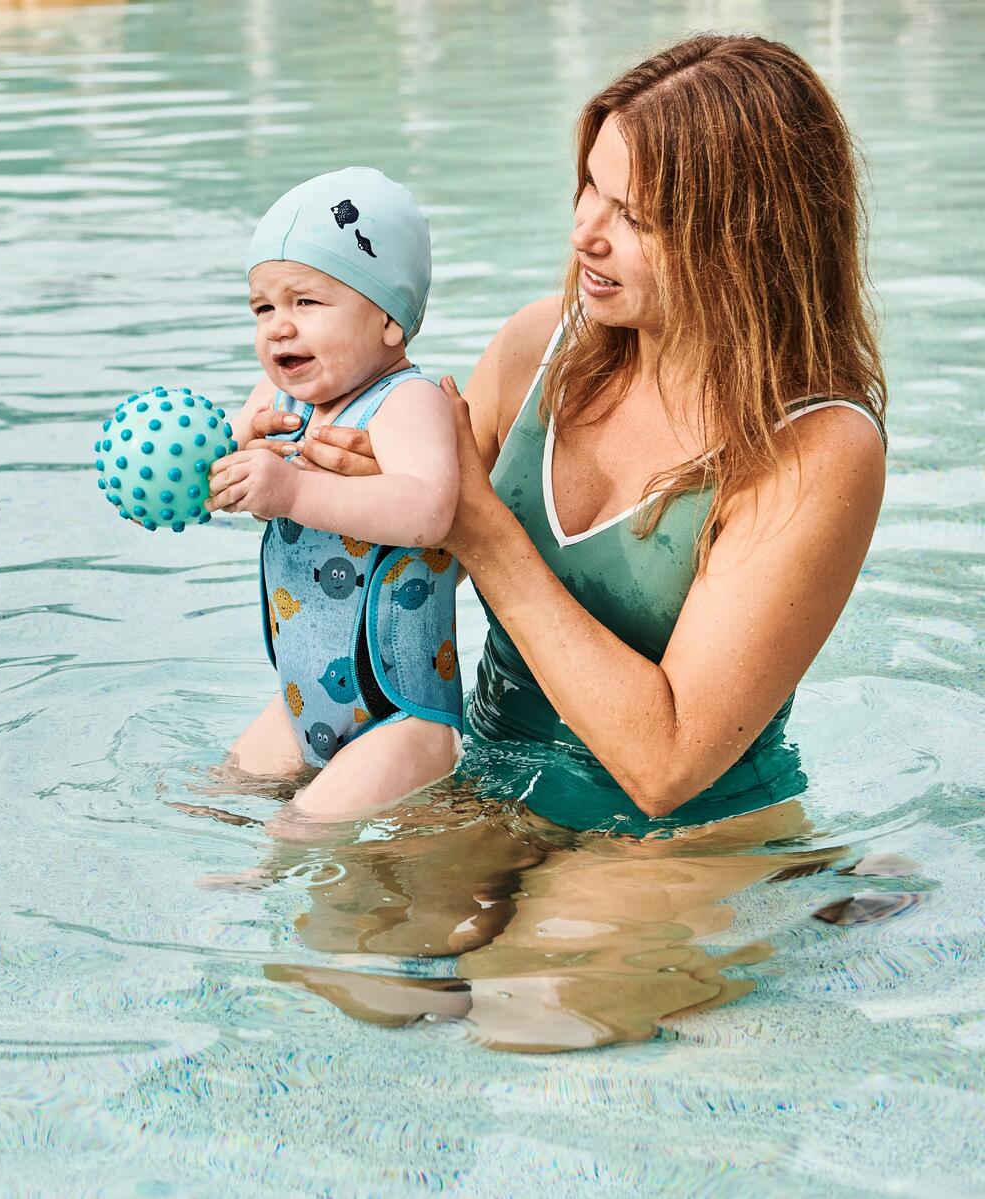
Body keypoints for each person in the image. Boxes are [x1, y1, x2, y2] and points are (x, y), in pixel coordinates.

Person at [232, 35, 889, 1049]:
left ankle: (801, 884)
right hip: (497, 780)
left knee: (529, 1017)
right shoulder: (543, 347)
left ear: (746, 233)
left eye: (637, 216)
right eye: (590, 185)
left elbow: (664, 763)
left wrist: (486, 534)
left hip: (681, 831)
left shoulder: (818, 447)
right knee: (345, 971)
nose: (587, 230)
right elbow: (415, 555)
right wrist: (311, 471)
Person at [206, 167, 467, 831]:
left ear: (387, 316)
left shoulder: (408, 403)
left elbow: (428, 509)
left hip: (401, 717)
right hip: (301, 703)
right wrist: (218, 460)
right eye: (263, 308)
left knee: (297, 832)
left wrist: (292, 487)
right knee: (215, 800)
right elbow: (218, 482)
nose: (278, 327)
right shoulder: (277, 403)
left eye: (306, 303)